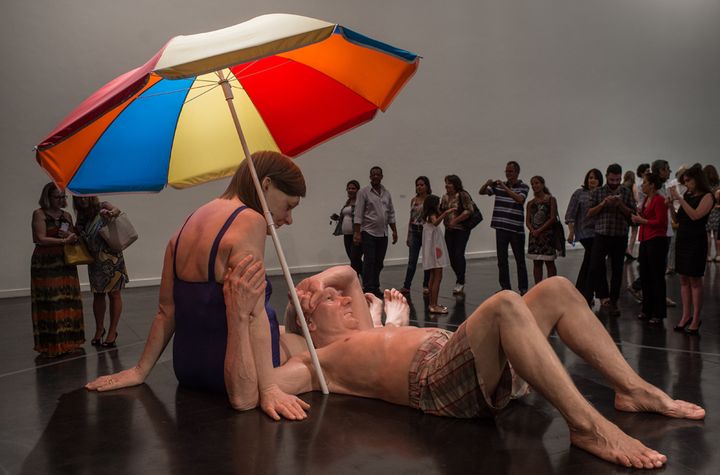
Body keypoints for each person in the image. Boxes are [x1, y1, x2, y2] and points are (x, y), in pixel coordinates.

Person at [226, 263, 704, 470]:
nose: (345, 299)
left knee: (556, 287)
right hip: (438, 384)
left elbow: (349, 274)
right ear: (308, 322)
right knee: (502, 304)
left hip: (469, 357)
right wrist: (250, 313)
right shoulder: (315, 360)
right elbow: (252, 391)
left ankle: (634, 389)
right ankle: (588, 426)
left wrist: (311, 285)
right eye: (331, 301)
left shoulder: (366, 329)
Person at [86, 151, 309, 419]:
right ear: (266, 185)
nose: (289, 218)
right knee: (314, 349)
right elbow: (254, 314)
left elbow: (166, 312)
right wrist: (270, 388)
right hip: (231, 374)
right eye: (289, 206)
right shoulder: (251, 220)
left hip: (189, 368)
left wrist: (139, 371)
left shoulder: (191, 220)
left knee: (287, 332)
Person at [31, 183, 85, 357]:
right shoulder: (39, 214)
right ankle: (52, 345)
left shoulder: (67, 215)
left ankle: (70, 342)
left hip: (65, 262)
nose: (61, 200)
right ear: (48, 197)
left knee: (69, 301)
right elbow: (40, 238)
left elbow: (74, 236)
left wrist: (71, 236)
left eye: (63, 197)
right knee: (51, 303)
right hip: (46, 263)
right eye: (58, 197)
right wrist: (63, 241)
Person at [73, 196, 129, 347]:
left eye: (85, 197)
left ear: (91, 196)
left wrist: (110, 213)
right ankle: (99, 329)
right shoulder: (81, 215)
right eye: (78, 198)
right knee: (98, 294)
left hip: (112, 256)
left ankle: (112, 331)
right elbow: (79, 235)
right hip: (96, 259)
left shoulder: (102, 205)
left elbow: (117, 210)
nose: (82, 201)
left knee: (114, 294)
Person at [669, 164, 715, 335]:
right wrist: (670, 205)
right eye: (685, 181)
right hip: (683, 238)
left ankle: (696, 318)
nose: (686, 184)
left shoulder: (708, 196)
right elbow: (678, 219)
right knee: (683, 280)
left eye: (688, 181)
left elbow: (696, 215)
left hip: (696, 241)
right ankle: (686, 315)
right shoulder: (687, 194)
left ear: (697, 180)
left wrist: (679, 199)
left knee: (695, 281)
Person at [586, 163, 636, 316]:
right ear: (607, 176)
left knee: (617, 270)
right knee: (595, 267)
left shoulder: (626, 192)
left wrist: (620, 204)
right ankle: (596, 297)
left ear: (621, 178)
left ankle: (613, 302)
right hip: (601, 235)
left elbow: (632, 215)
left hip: (620, 236)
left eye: (617, 180)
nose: (614, 183)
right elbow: (589, 213)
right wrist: (603, 203)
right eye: (612, 179)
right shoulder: (598, 192)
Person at [479, 161, 529, 294]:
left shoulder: (524, 186)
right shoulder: (499, 186)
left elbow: (519, 199)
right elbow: (482, 192)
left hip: (515, 229)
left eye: (511, 172)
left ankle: (523, 288)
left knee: (520, 260)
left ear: (517, 172)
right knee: (502, 260)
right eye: (506, 171)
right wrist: (487, 184)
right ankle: (505, 287)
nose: (508, 174)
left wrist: (504, 187)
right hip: (500, 227)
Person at [353, 166, 398, 297]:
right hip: (368, 232)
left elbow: (391, 213)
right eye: (373, 174)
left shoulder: (386, 193)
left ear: (382, 176)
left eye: (378, 174)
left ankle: (375, 285)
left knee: (379, 262)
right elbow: (358, 213)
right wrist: (357, 233)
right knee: (369, 260)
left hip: (383, 233)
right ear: (370, 176)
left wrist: (394, 231)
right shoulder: (364, 192)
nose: (375, 176)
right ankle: (368, 288)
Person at [630, 173, 668, 325]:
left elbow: (660, 222)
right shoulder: (646, 199)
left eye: (645, 182)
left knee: (656, 277)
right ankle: (647, 309)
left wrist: (641, 220)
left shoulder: (659, 200)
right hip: (645, 239)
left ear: (652, 184)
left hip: (656, 240)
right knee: (645, 275)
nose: (642, 185)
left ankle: (658, 312)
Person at [565, 169, 604, 306]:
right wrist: (571, 232)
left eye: (595, 178)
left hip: (599, 232)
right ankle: (587, 293)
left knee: (591, 262)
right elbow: (570, 214)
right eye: (590, 178)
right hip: (585, 232)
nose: (592, 180)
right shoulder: (579, 194)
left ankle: (584, 292)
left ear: (600, 180)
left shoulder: (602, 194)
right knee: (592, 260)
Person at [440, 175, 474, 294]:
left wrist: (456, 220)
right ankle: (460, 276)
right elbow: (441, 210)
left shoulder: (463, 195)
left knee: (458, 254)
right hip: (449, 230)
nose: (446, 185)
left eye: (449, 183)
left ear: (455, 184)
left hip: (461, 229)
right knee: (450, 256)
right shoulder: (444, 197)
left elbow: (469, 210)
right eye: (446, 183)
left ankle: (460, 281)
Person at [422, 194, 453, 313]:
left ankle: (432, 303)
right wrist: (445, 214)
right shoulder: (431, 215)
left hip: (433, 249)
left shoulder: (427, 215)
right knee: (438, 277)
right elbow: (435, 223)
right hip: (435, 250)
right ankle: (433, 305)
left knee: (433, 276)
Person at [400, 176, 431, 295]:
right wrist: (408, 235)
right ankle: (406, 286)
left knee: (427, 260)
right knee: (412, 261)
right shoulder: (413, 200)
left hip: (426, 231)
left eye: (422, 185)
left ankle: (426, 285)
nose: (419, 187)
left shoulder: (430, 199)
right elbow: (411, 218)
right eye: (417, 185)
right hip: (414, 230)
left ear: (427, 186)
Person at [526, 176, 558, 285]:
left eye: (537, 183)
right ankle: (538, 287)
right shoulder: (530, 203)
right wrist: (533, 231)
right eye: (532, 184)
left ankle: (552, 286)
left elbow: (552, 218)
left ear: (543, 184)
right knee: (537, 263)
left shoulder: (550, 200)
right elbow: (528, 221)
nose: (535, 186)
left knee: (549, 262)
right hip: (534, 236)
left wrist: (540, 230)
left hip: (547, 235)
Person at [332, 180, 363, 276]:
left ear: (358, 190)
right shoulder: (348, 202)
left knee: (354, 259)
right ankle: (366, 279)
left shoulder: (360, 202)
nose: (350, 190)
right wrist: (337, 217)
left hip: (356, 234)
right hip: (347, 235)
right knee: (353, 259)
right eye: (349, 188)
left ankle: (361, 280)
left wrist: (358, 233)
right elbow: (346, 217)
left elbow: (360, 217)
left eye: (353, 188)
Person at [703, 164, 720, 261]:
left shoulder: (704, 186)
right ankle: (718, 255)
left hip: (707, 212)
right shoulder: (718, 185)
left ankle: (708, 255)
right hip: (718, 212)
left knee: (708, 236)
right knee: (717, 236)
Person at [623, 170, 638, 261]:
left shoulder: (622, 185)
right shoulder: (633, 185)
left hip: (624, 211)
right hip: (632, 210)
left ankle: (625, 249)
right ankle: (630, 250)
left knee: (625, 231)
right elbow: (636, 198)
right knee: (634, 231)